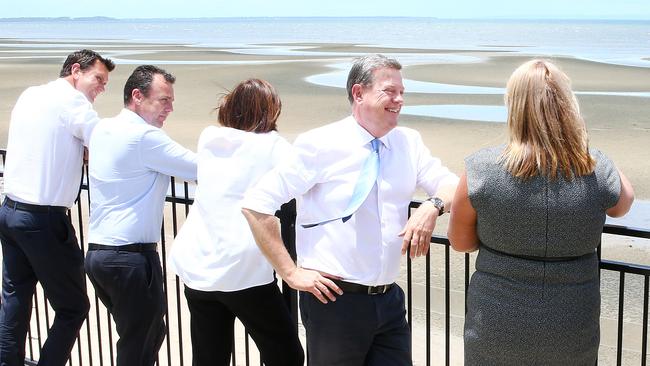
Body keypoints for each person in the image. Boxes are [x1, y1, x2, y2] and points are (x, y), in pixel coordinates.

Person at [242, 54, 459, 365]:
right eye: (389, 91)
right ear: (359, 93)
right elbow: (256, 203)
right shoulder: (320, 143)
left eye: (402, 92)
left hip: (389, 301)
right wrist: (290, 273)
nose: (399, 99)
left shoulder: (408, 142)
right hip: (333, 302)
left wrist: (431, 206)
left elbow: (452, 186)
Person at [447, 59, 635, 365]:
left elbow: (460, 242)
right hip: (572, 319)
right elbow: (623, 205)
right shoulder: (594, 167)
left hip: (497, 318)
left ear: (513, 106)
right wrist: (583, 146)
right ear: (568, 106)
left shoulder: (480, 169)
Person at [168, 78, 304, 366]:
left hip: (197, 262)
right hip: (242, 268)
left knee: (210, 356)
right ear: (270, 112)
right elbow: (303, 180)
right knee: (286, 353)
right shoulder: (274, 146)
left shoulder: (209, 138)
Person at [0, 49, 114, 365]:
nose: (102, 88)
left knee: (16, 297)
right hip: (43, 220)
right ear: (75, 70)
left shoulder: (31, 94)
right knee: (74, 307)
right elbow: (106, 145)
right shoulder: (74, 103)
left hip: (10, 212)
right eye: (99, 79)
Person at [84, 65, 197, 365]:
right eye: (164, 100)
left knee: (142, 335)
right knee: (141, 342)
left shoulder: (103, 128)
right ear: (137, 96)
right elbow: (202, 169)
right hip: (129, 258)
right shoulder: (145, 137)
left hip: (99, 256)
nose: (170, 108)